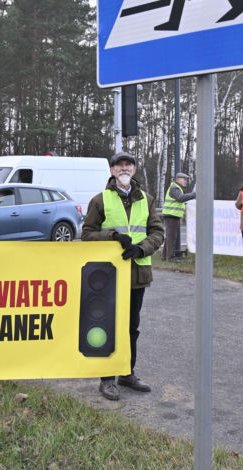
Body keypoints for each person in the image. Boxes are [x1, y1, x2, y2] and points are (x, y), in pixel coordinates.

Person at [81, 151, 164, 401]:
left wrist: (141, 248)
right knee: (107, 327)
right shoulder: (100, 200)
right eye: (119, 165)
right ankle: (107, 379)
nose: (124, 168)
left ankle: (127, 373)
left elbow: (157, 233)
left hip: (137, 273)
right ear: (112, 171)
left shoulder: (147, 200)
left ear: (134, 170)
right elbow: (86, 234)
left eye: (128, 164)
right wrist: (113, 237)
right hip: (107, 277)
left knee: (131, 327)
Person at [161, 171, 196, 260]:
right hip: (171, 215)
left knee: (169, 237)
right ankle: (170, 257)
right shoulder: (174, 188)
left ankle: (165, 257)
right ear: (178, 179)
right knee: (171, 237)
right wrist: (194, 194)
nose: (185, 181)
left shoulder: (176, 188)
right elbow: (180, 198)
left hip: (172, 215)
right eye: (184, 179)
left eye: (186, 180)